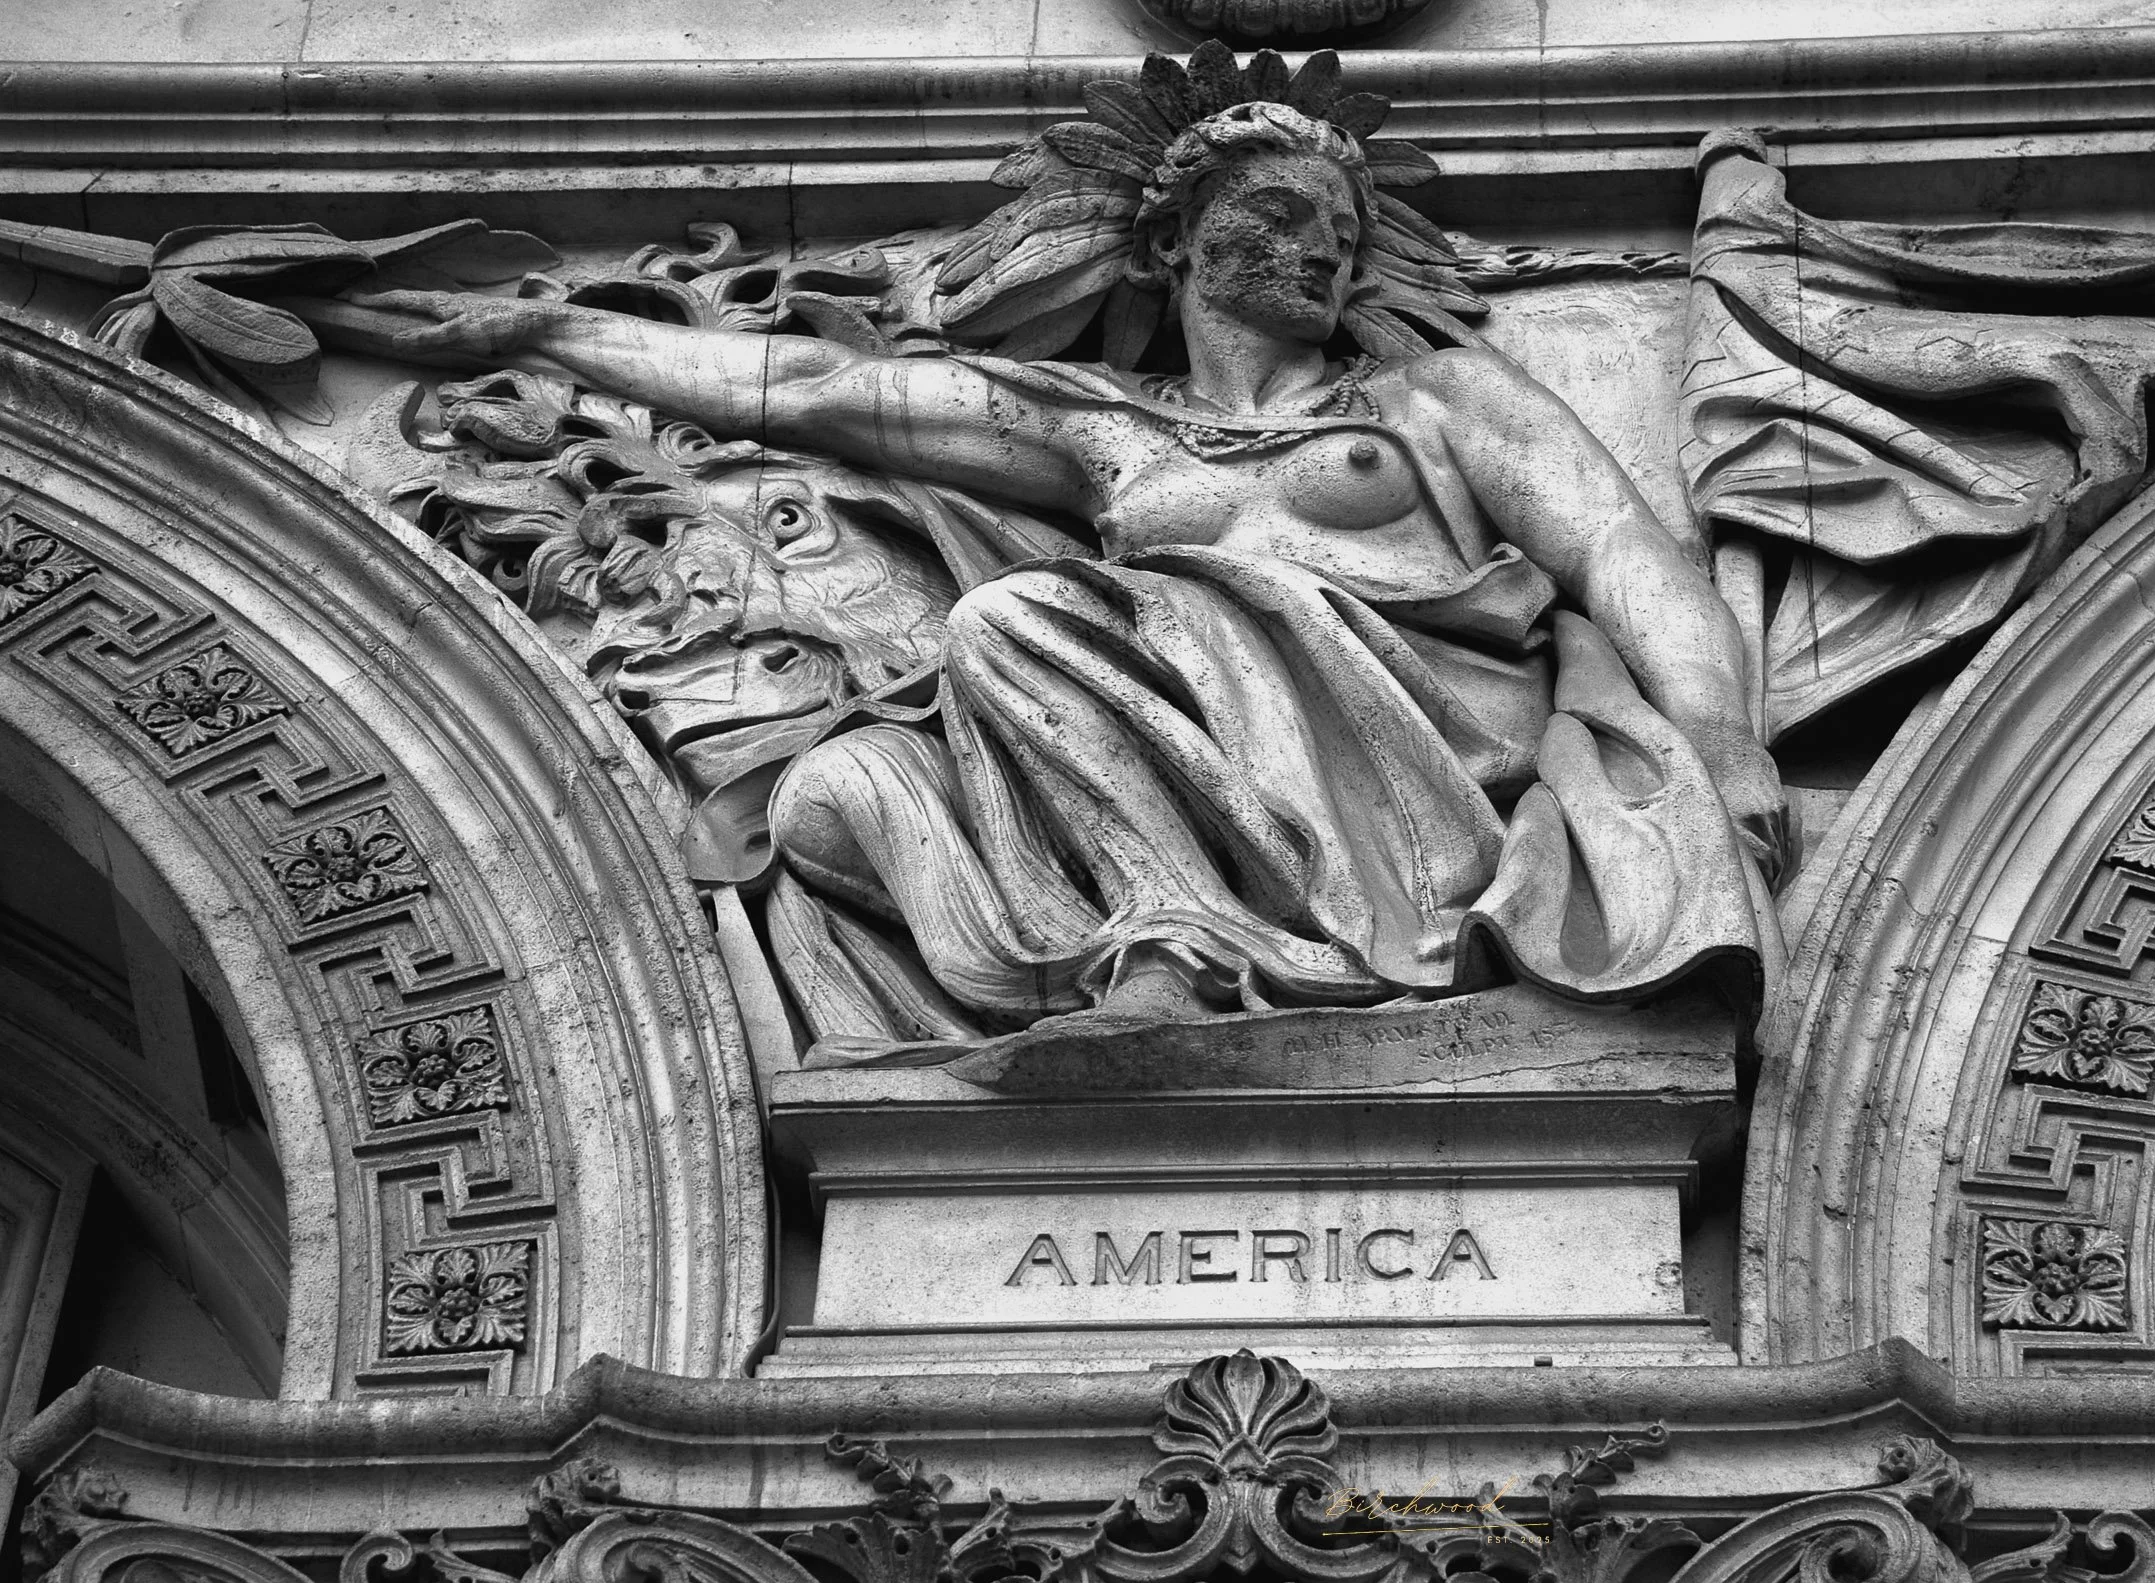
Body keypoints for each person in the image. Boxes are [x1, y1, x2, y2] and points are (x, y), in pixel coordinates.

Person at [295, 99, 1782, 1040]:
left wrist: (1722, 741)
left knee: (1036, 616)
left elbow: (1624, 556)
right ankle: (1169, 947)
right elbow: (812, 390)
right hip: (1197, 750)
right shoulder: (1108, 432)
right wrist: (546, 335)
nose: (1322, 254)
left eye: (1343, 235)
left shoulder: (1430, 401)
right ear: (1178, 244)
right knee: (979, 655)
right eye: (1281, 219)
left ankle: (1209, 939)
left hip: (1432, 757)